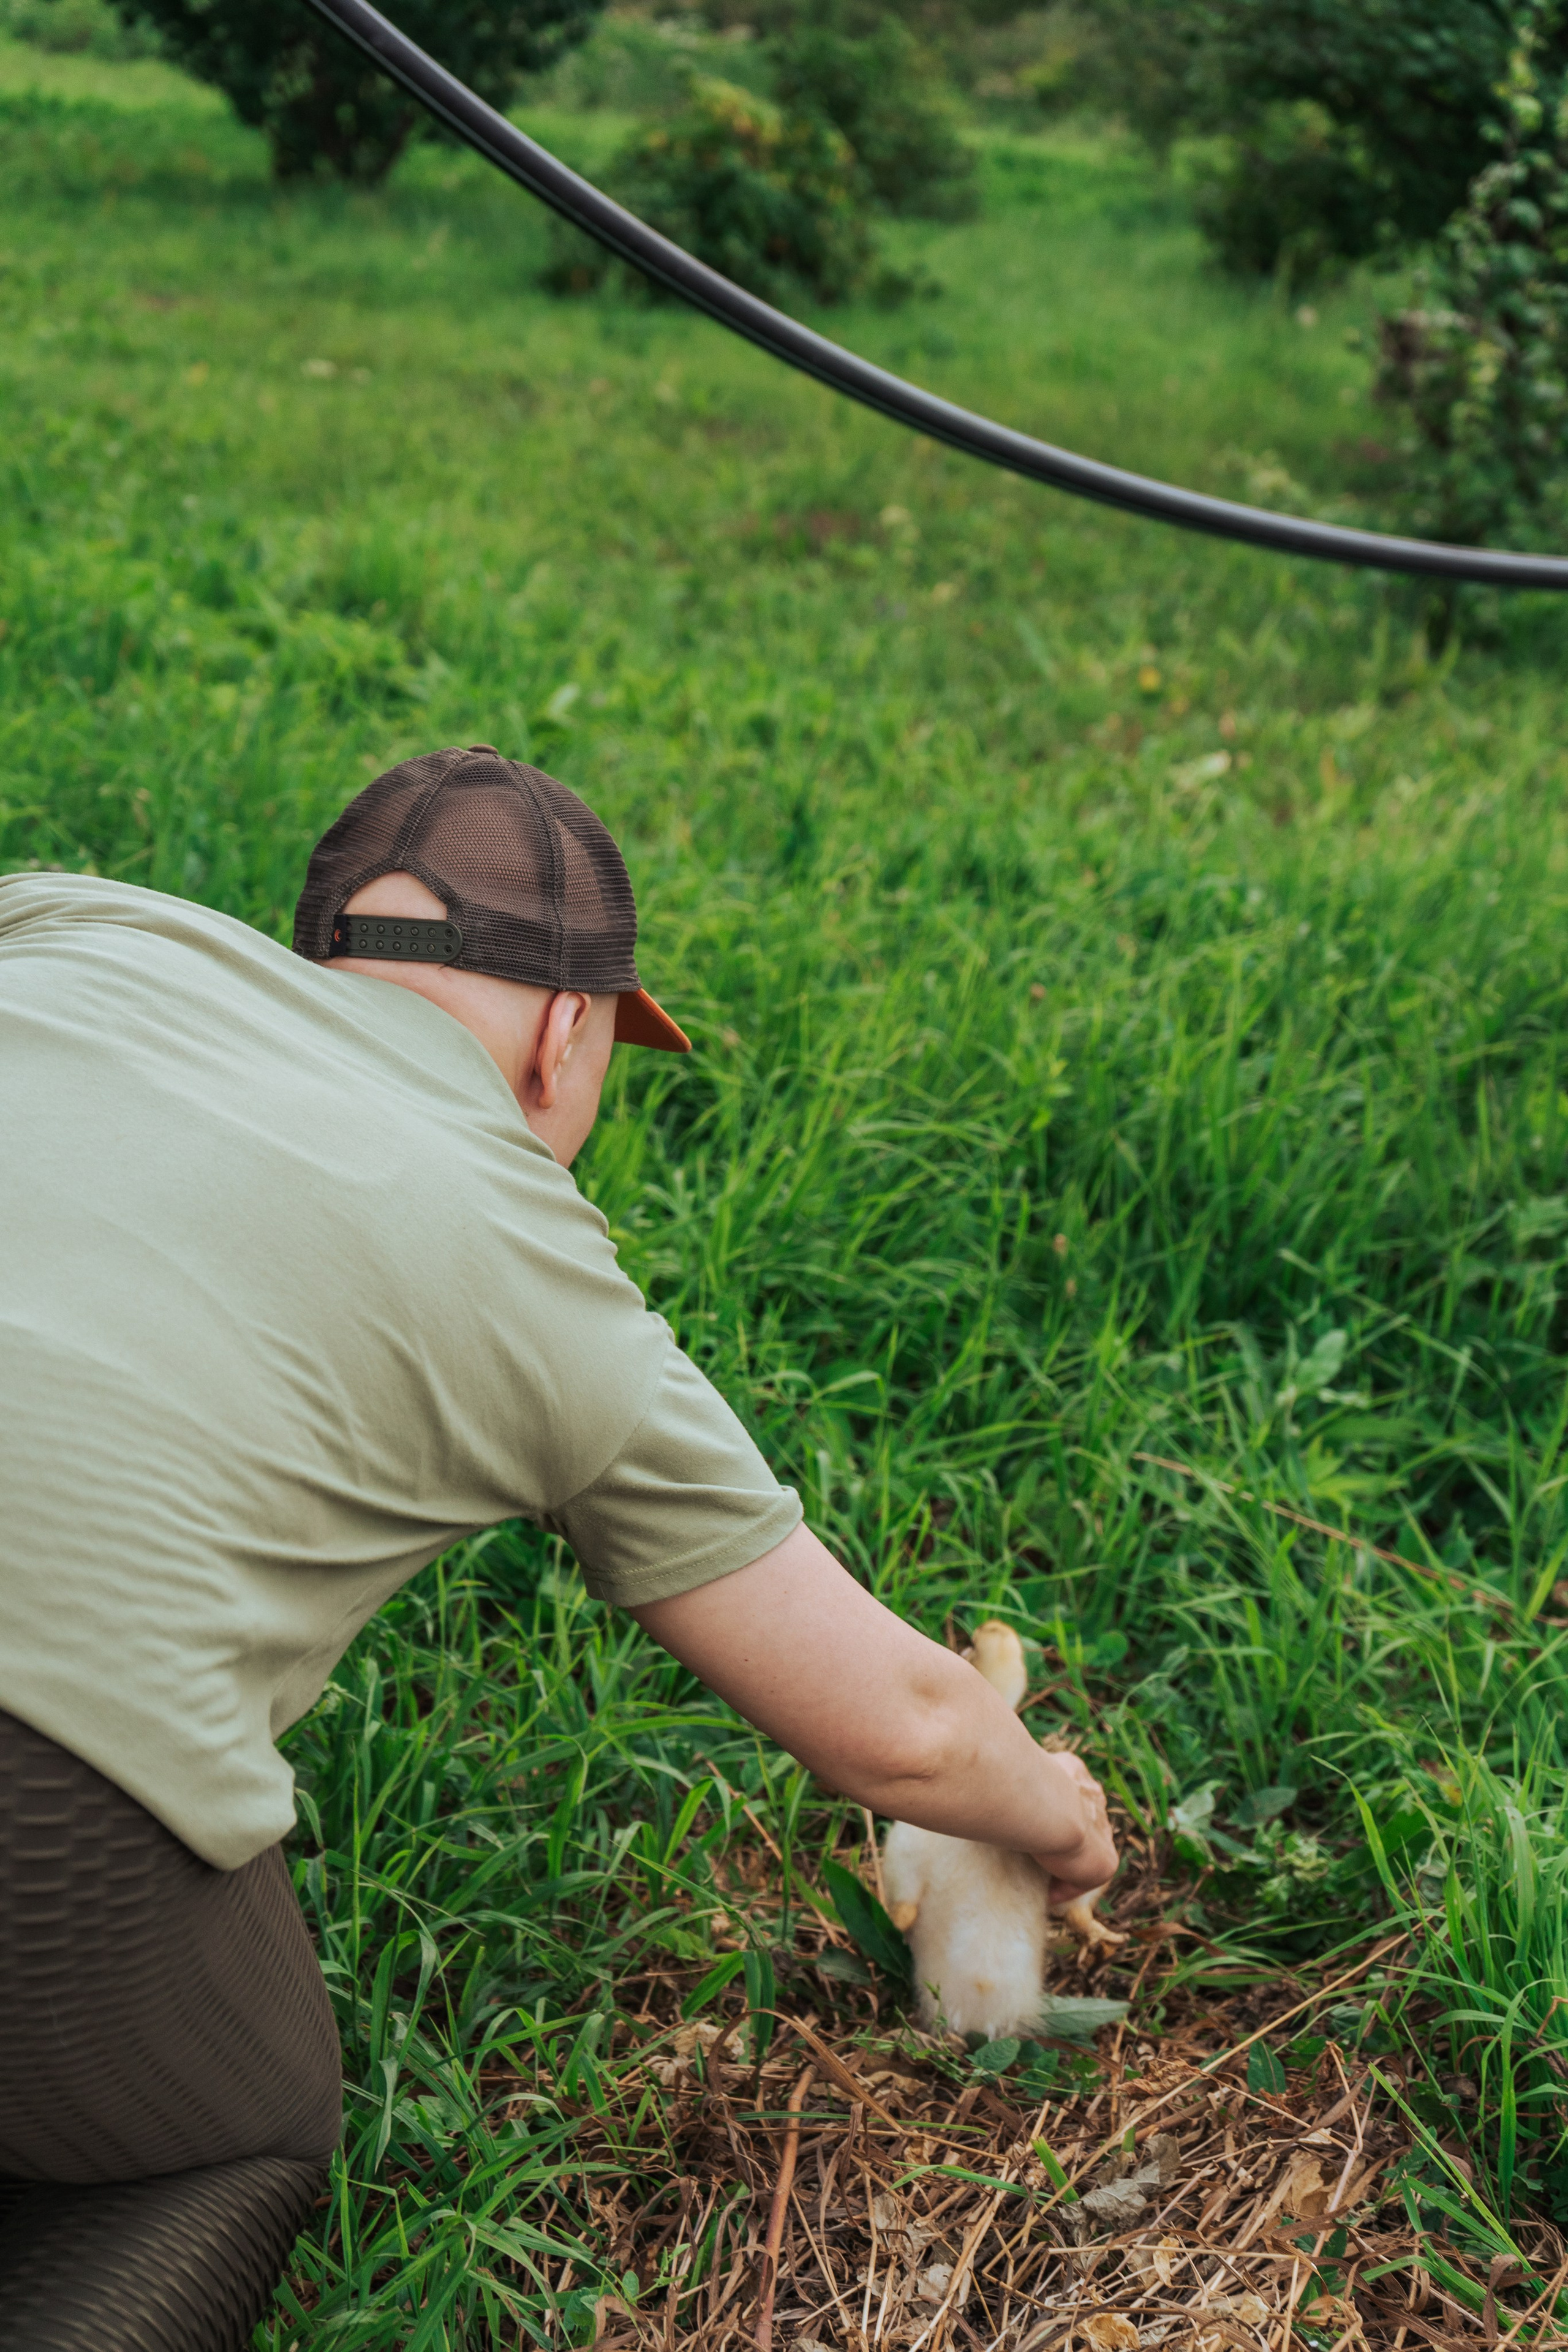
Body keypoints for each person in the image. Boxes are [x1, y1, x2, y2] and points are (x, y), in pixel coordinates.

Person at [0, 744, 1117, 2352]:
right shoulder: (527, 1260)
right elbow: (911, 1730)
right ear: (569, 1034)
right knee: (226, 2132)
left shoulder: (72, 923)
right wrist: (1064, 1826)